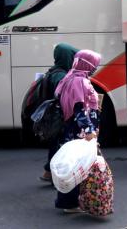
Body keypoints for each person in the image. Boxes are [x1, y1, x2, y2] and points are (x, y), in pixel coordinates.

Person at [53, 49, 101, 213]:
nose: (96, 67)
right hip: (79, 131)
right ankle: (70, 203)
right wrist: (88, 130)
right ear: (87, 64)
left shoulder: (71, 77)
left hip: (72, 130)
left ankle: (68, 201)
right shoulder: (79, 81)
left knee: (73, 164)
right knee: (78, 165)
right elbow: (79, 108)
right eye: (94, 64)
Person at [38, 43, 78, 182]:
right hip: (59, 116)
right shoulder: (60, 76)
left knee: (55, 144)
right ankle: (55, 175)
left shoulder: (54, 71)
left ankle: (48, 172)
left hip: (54, 115)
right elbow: (64, 97)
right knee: (60, 145)